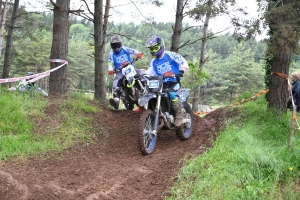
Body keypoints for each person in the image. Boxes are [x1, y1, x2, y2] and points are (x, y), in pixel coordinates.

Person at [144, 35, 188, 127]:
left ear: (161, 45)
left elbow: (183, 62)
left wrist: (181, 71)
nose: (153, 50)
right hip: (161, 84)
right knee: (151, 93)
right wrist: (141, 75)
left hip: (174, 82)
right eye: (151, 49)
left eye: (155, 48)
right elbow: (149, 73)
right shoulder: (153, 62)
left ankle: (179, 116)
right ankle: (157, 114)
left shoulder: (171, 55)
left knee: (172, 93)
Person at [107, 35, 143, 109]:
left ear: (121, 44)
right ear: (111, 46)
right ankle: (116, 99)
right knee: (117, 80)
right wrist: (110, 69)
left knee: (140, 73)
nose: (116, 47)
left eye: (117, 45)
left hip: (129, 67)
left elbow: (133, 51)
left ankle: (144, 89)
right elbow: (110, 62)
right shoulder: (111, 53)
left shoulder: (125, 49)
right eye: (114, 45)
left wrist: (138, 53)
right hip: (119, 70)